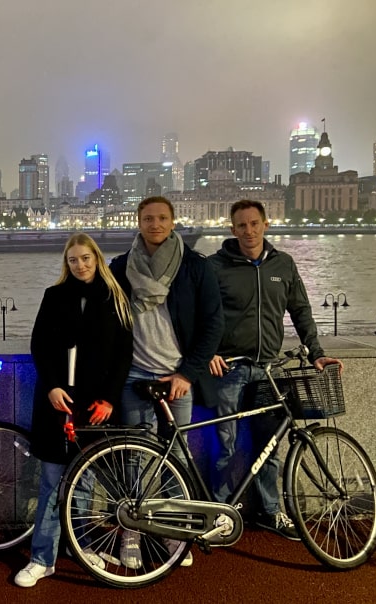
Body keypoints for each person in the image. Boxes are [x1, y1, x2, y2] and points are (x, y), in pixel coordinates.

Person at [207, 199, 343, 540]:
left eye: (254, 223)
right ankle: (221, 513)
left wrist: (317, 353)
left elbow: (301, 312)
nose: (249, 231)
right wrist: (208, 352)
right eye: (241, 225)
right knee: (224, 445)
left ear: (266, 224)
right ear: (232, 229)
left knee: (270, 445)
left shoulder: (284, 264)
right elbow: (199, 316)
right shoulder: (215, 267)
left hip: (269, 369)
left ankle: (270, 512)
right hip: (230, 370)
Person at [109, 196, 223, 569]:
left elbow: (213, 325)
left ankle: (174, 531)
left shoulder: (195, 267)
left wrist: (187, 373)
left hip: (177, 376)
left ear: (173, 222)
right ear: (138, 222)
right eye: (147, 218)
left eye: (161, 218)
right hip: (134, 376)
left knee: (177, 457)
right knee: (134, 460)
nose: (154, 224)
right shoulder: (121, 267)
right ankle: (132, 531)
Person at [14, 233, 133, 588]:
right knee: (52, 480)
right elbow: (40, 344)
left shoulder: (115, 298)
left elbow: (123, 354)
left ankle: (80, 547)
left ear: (96, 258)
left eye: (85, 258)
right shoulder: (54, 296)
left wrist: (110, 399)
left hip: (95, 404)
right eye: (72, 260)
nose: (79, 265)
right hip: (57, 400)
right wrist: (51, 385)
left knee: (87, 481)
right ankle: (42, 557)